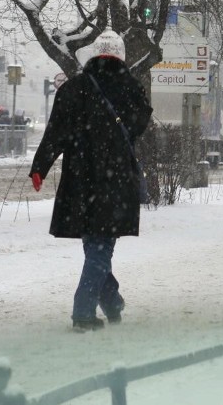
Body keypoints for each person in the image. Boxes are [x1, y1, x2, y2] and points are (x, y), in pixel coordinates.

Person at [29, 29, 152, 332]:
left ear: (95, 55)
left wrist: (40, 167)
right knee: (101, 245)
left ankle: (111, 301)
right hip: (114, 180)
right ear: (121, 56)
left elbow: (55, 132)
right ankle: (83, 313)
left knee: (94, 243)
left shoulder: (73, 89)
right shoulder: (132, 88)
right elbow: (138, 126)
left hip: (80, 180)